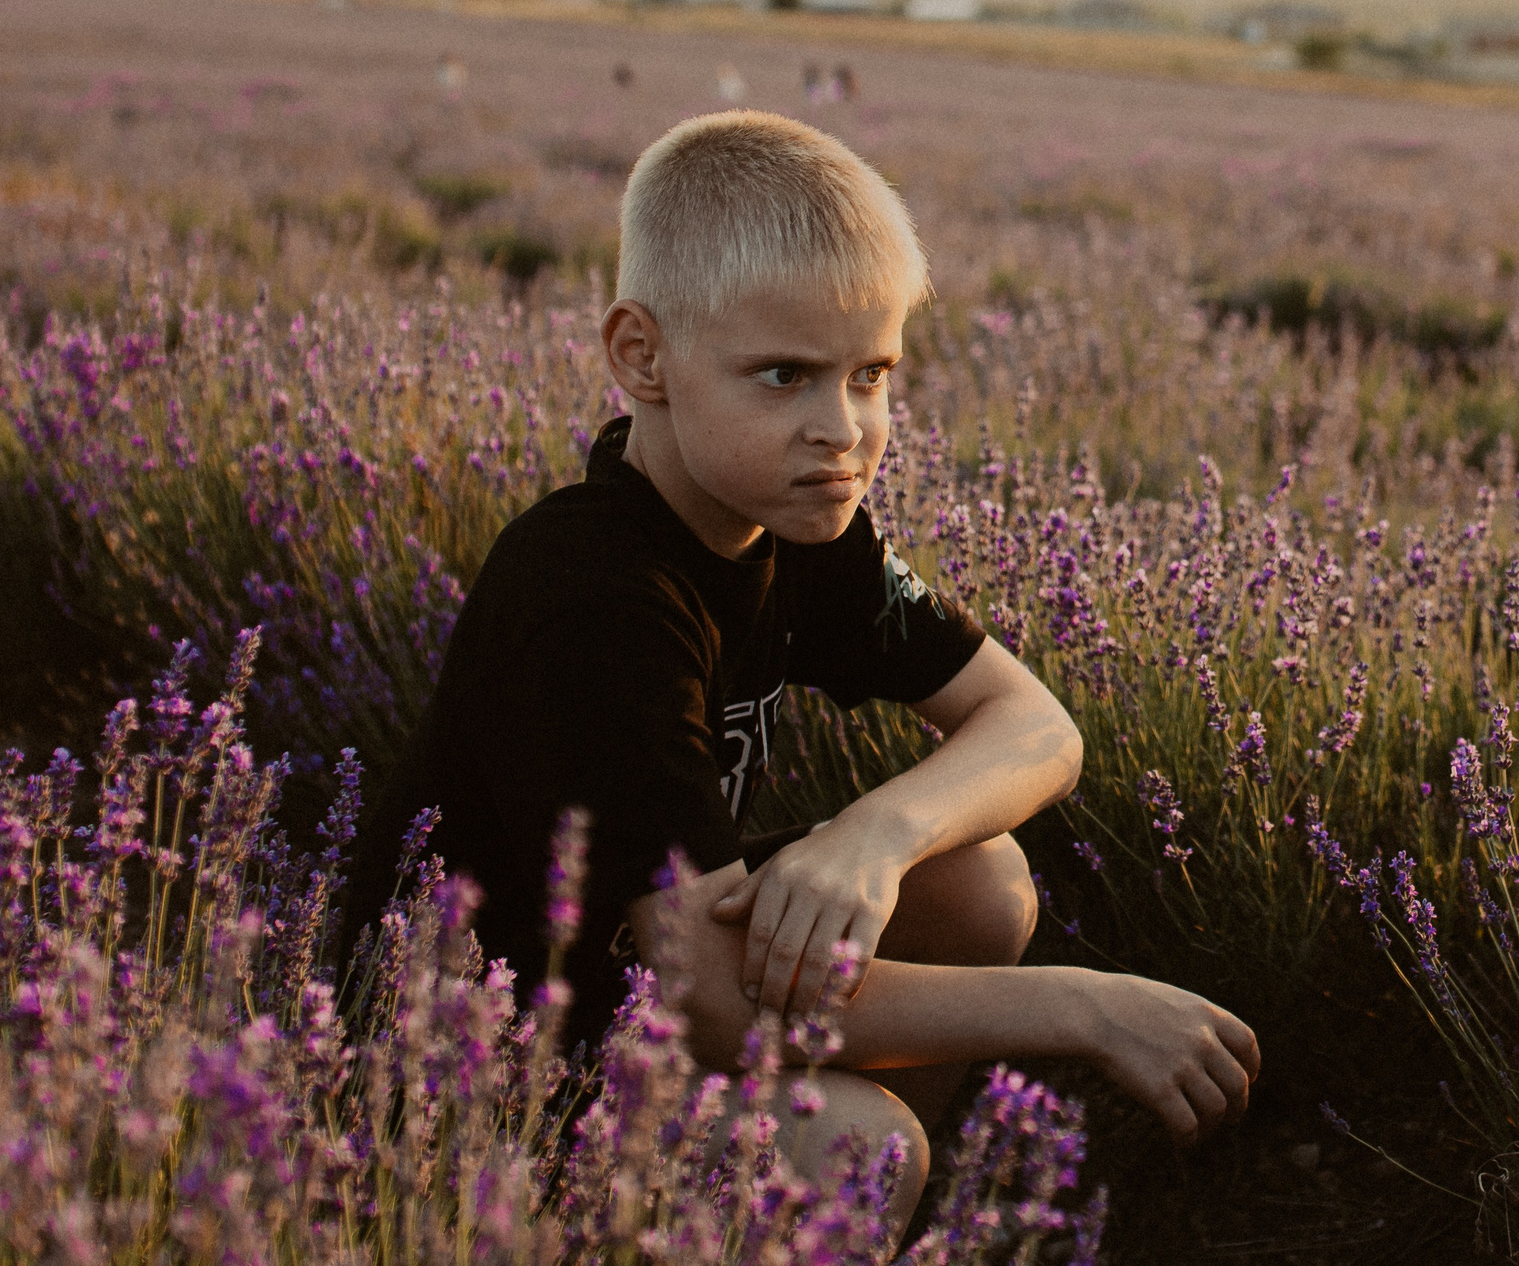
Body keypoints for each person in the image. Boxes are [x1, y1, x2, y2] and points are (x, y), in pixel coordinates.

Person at [344, 111, 1255, 1231]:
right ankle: (813, 1185)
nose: (846, 428)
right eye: (784, 374)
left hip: (633, 984)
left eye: (871, 373)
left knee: (979, 876)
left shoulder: (794, 518)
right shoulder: (592, 596)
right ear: (642, 354)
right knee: (854, 1146)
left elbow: (1033, 727)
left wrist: (874, 834)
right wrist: (1079, 1007)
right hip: (469, 1075)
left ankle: (831, 1209)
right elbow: (715, 1008)